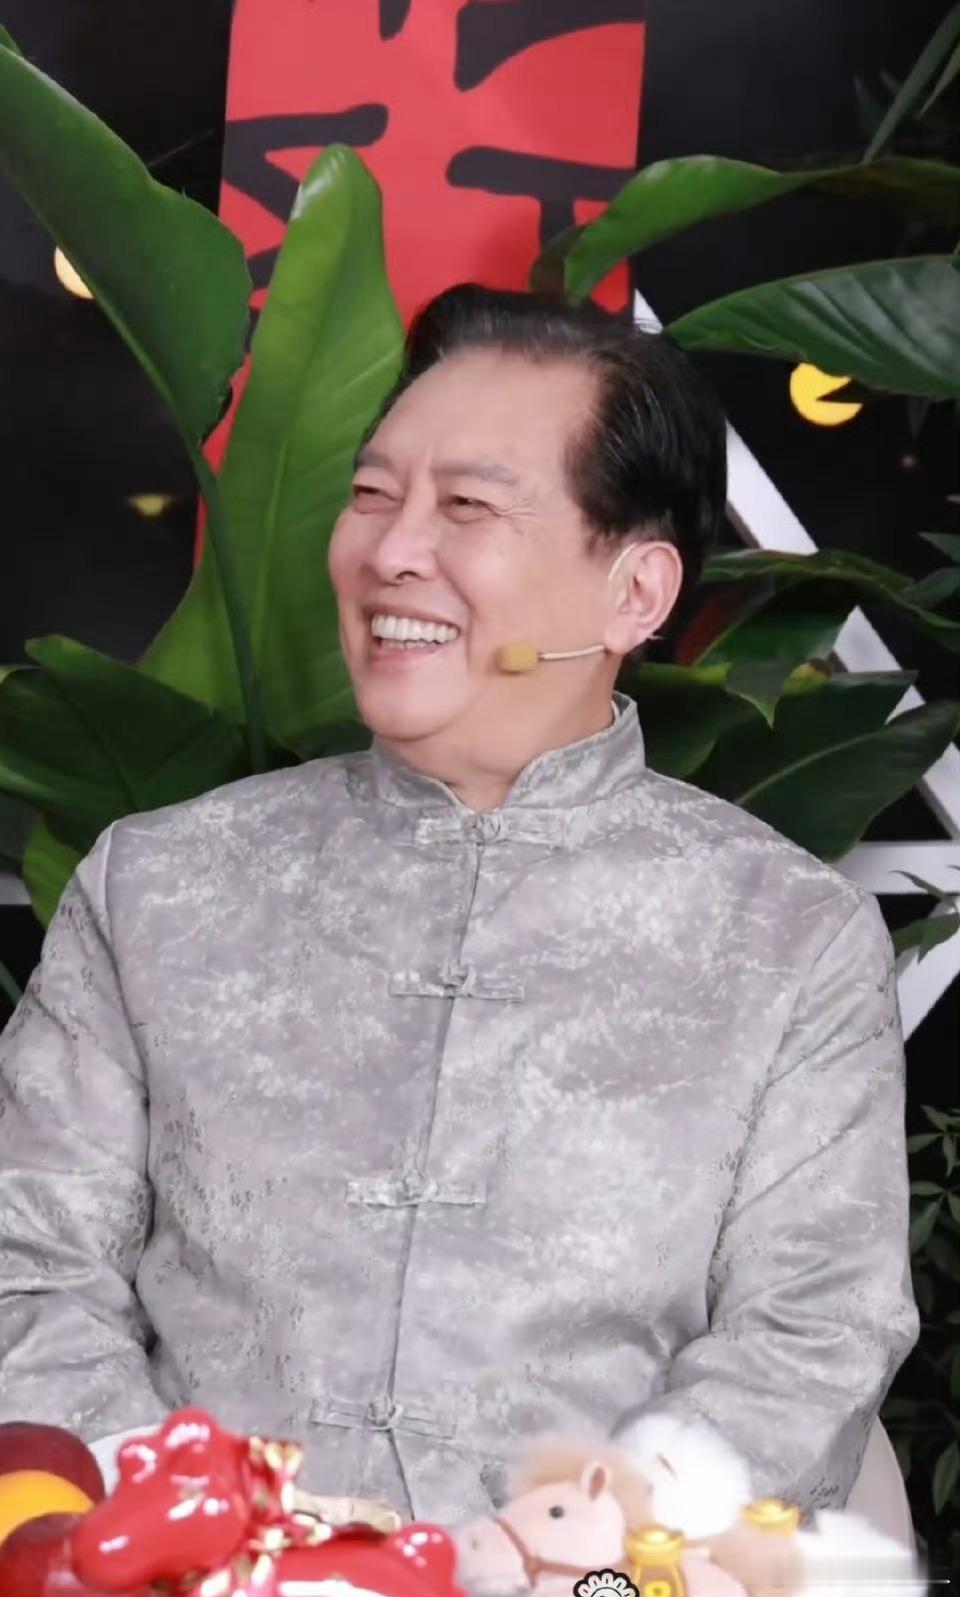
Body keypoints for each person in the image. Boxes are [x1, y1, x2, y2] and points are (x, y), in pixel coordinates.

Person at [0, 286, 918, 1527]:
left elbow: (810, 1337)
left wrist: (562, 1559)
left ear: (635, 592)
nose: (391, 550)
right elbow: (29, 1265)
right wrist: (184, 1538)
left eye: (469, 507)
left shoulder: (785, 936)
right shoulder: (160, 884)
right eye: (373, 494)